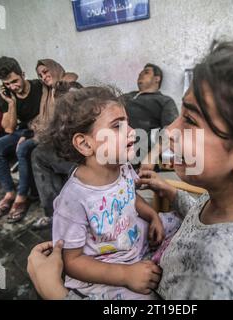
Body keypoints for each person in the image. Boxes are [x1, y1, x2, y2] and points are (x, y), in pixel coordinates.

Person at [27, 29, 233, 300]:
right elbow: (203, 226)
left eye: (189, 120)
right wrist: (173, 196)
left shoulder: (220, 282)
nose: (169, 132)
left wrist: (55, 293)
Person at [42, 86, 181, 299]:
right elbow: (72, 262)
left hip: (135, 241)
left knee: (181, 221)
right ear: (85, 144)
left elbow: (130, 198)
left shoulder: (122, 167)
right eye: (117, 126)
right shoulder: (73, 201)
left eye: (128, 123)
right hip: (108, 268)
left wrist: (152, 216)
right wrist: (125, 275)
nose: (133, 132)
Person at [0, 56, 42, 223]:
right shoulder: (8, 95)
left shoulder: (39, 88)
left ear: (23, 74)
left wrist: (29, 134)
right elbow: (9, 128)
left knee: (22, 148)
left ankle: (22, 197)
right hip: (22, 131)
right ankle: (10, 192)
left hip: (40, 132)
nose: (13, 86)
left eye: (15, 81)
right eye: (8, 84)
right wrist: (11, 103)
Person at [30, 71, 82, 231]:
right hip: (70, 146)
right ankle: (56, 213)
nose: (44, 76)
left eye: (46, 71)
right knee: (38, 152)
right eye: (40, 74)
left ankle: (57, 214)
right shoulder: (49, 95)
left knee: (39, 154)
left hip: (84, 153)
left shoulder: (74, 92)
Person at [121, 63, 178, 163]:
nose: (141, 74)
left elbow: (172, 130)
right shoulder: (127, 97)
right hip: (115, 149)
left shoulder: (164, 101)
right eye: (140, 73)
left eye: (146, 72)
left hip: (141, 155)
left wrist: (152, 156)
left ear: (157, 79)